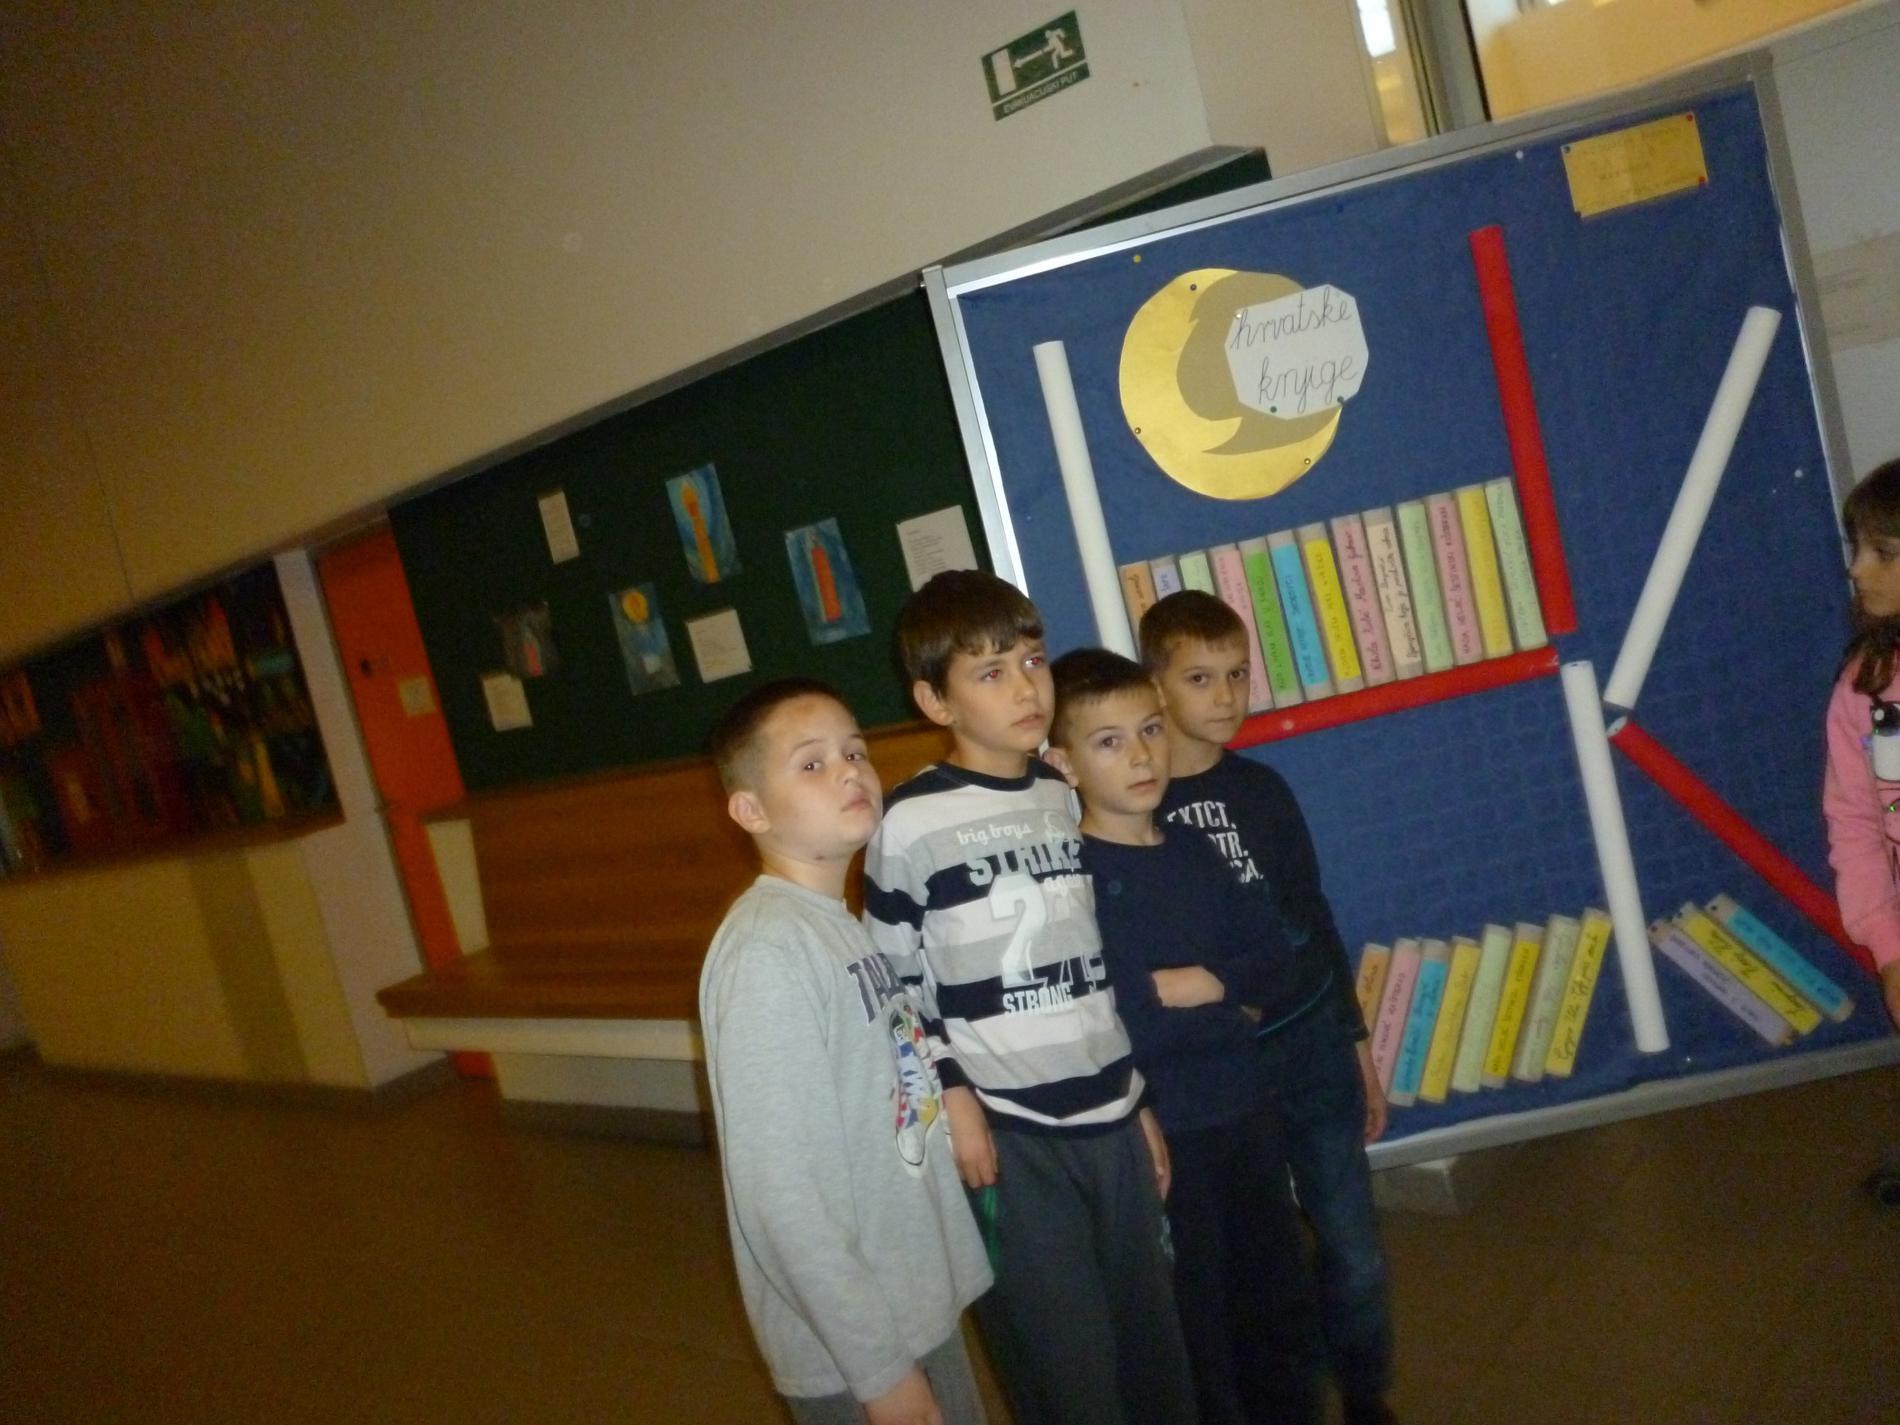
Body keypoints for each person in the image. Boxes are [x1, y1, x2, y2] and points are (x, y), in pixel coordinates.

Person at [862, 570, 1197, 1425]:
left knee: (1154, 1349)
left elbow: (1090, 962)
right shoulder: (908, 822)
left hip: (1110, 1115)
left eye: (1033, 660)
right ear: (935, 701)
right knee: (1066, 1369)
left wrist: (1136, 1100)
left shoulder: (1060, 793)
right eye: (990, 671)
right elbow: (896, 986)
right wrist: (954, 1095)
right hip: (1011, 1132)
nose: (1026, 687)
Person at [700, 677, 992, 1425]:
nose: (849, 771)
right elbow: (782, 1195)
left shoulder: (838, 924)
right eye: (812, 763)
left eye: (855, 751)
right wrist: (881, 1373)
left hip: (908, 1309)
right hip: (859, 1353)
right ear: (751, 810)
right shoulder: (768, 951)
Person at [1046, 647, 1325, 1425]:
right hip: (1167, 1134)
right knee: (1196, 1322)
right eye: (1109, 741)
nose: (1141, 756)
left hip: (1248, 1112)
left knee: (1278, 1302)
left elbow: (1274, 961)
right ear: (1063, 763)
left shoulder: (1195, 847)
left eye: (1150, 730)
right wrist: (1214, 995)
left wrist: (1204, 982)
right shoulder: (1073, 877)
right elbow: (1112, 1010)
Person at [1141, 590, 1398, 1425]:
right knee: (1263, 1262)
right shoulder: (1138, 807)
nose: (1225, 695)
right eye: (1200, 677)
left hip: (1312, 1045)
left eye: (1237, 674)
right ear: (1156, 684)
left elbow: (1313, 918)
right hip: (1221, 1072)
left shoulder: (1264, 790)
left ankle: (1366, 1391)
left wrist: (1356, 1046)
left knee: (1352, 1244)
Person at [1825, 455, 1900, 1033]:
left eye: (1882, 552)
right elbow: (1854, 823)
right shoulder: (1864, 685)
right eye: (1857, 548)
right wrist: (1889, 948)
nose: (1856, 569)